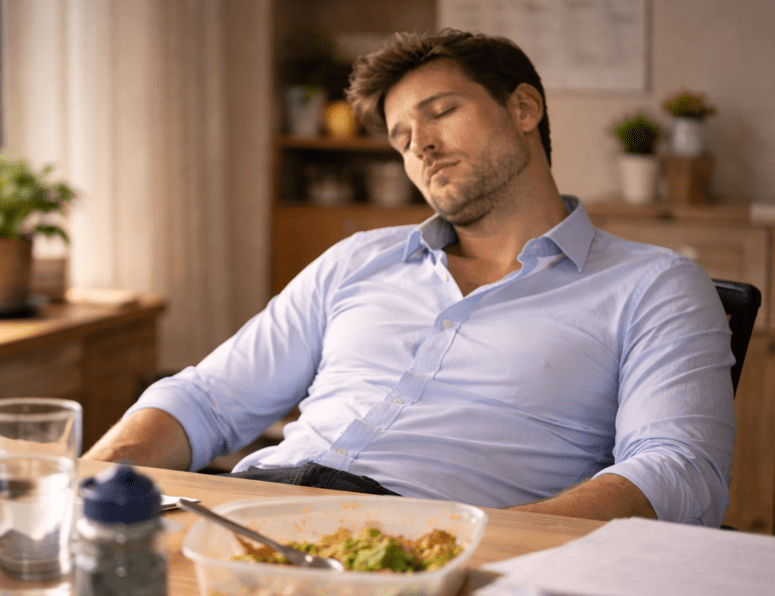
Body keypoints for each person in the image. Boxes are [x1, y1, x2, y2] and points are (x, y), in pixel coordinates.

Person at [86, 29, 735, 526]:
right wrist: (87, 480)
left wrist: (488, 546)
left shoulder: (655, 285)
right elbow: (207, 398)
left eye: (441, 111)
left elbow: (680, 470)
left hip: (435, 551)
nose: (418, 146)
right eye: (400, 136)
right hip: (253, 513)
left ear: (525, 108)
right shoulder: (358, 257)